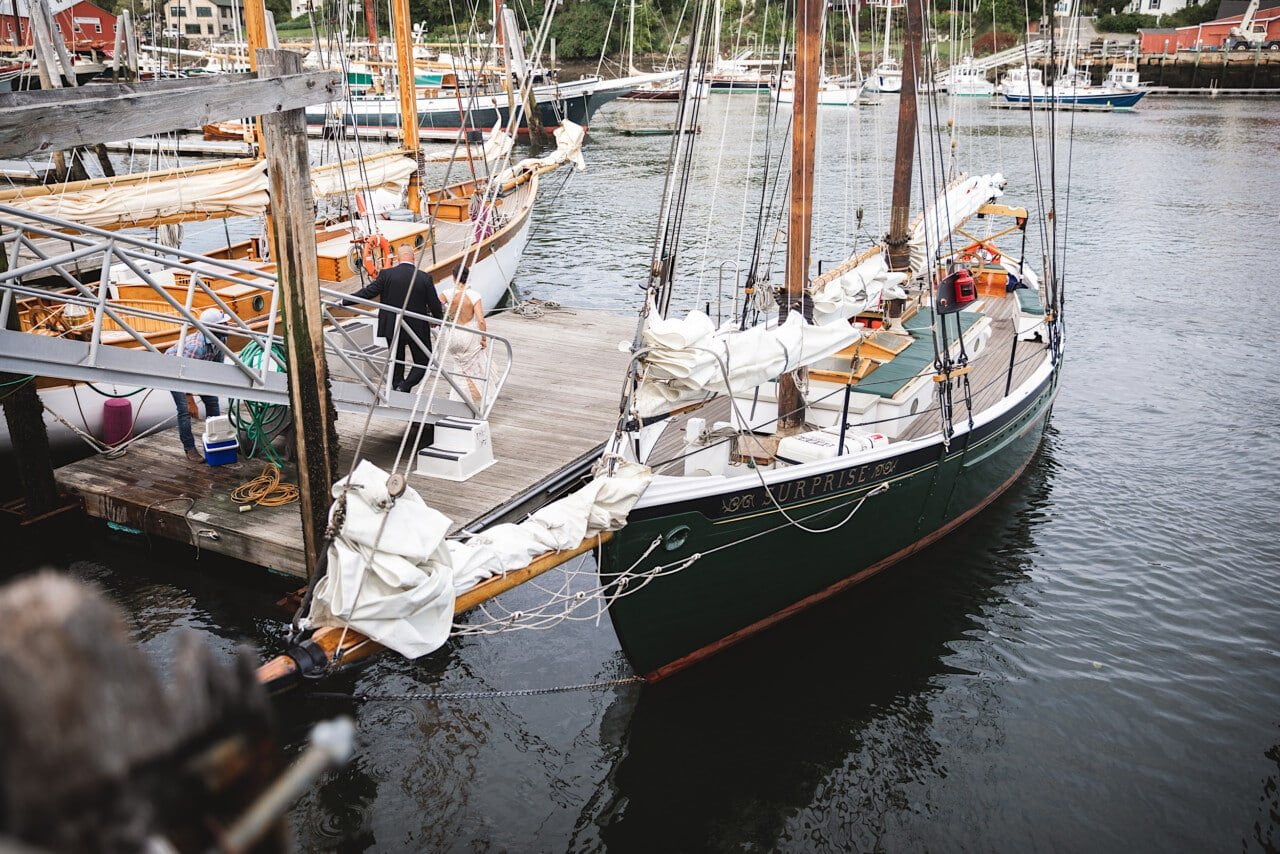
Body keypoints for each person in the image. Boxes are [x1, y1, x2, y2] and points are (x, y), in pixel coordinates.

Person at [346, 243, 443, 393]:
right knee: (423, 360)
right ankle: (404, 387)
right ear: (414, 258)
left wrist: (344, 301)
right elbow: (435, 305)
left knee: (396, 361)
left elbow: (368, 292)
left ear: (398, 258)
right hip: (417, 327)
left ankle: (397, 387)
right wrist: (437, 320)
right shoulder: (424, 278)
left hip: (392, 325)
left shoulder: (386, 275)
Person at [168, 307, 229, 462]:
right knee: (184, 410)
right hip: (174, 372)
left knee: (212, 402)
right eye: (223, 324)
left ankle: (215, 441)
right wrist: (190, 401)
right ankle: (189, 448)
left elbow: (217, 366)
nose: (227, 326)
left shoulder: (221, 339)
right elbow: (182, 375)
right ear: (212, 328)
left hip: (199, 371)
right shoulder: (195, 346)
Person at [439, 267, 489, 405]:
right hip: (469, 335)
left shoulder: (446, 294)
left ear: (454, 278)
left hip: (453, 335)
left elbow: (435, 309)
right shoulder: (474, 295)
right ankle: (475, 402)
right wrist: (484, 339)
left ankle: (457, 400)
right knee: (473, 369)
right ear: (468, 278)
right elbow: (481, 320)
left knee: (458, 367)